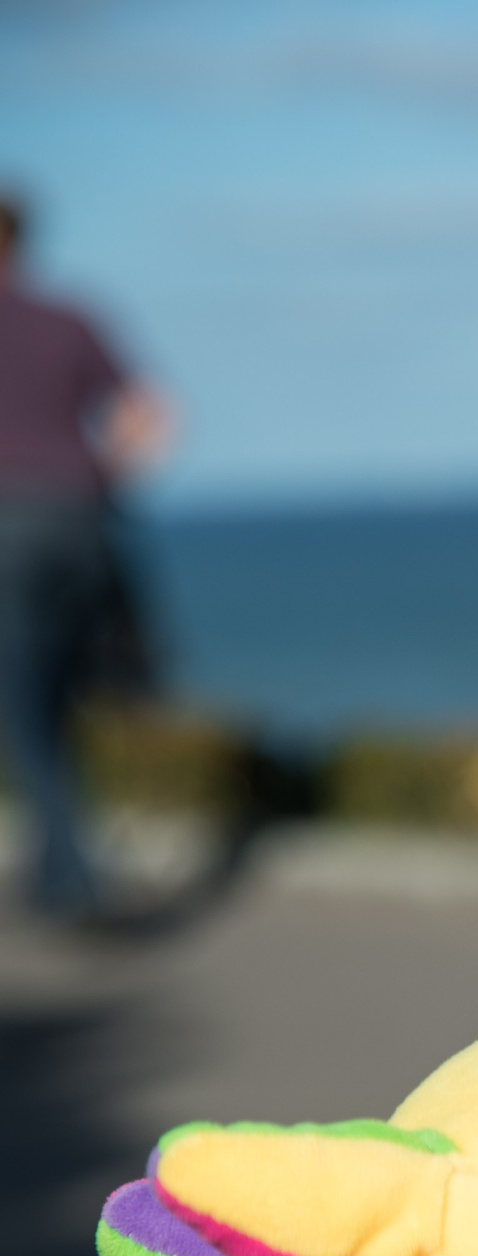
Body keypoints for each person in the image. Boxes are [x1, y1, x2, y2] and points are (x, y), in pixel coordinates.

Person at [0, 188, 171, 920]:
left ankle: (74, 875)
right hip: (80, 524)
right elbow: (149, 412)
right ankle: (54, 868)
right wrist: (101, 478)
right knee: (54, 695)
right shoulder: (70, 318)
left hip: (8, 527)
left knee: (21, 705)